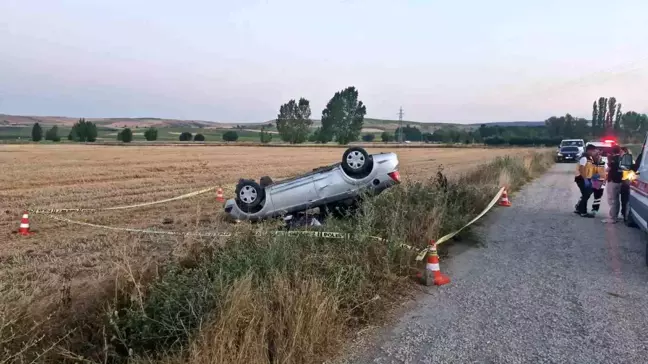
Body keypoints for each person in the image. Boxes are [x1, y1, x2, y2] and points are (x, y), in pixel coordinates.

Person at [574, 144, 597, 218]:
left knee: (586, 194)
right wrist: (585, 179)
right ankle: (583, 212)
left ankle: (578, 208)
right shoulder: (584, 158)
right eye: (593, 151)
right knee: (586, 195)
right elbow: (581, 169)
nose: (594, 152)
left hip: (587, 178)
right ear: (589, 150)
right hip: (581, 178)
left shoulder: (589, 158)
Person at [604, 145, 623, 223]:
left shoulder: (613, 160)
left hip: (613, 181)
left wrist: (609, 160)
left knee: (612, 200)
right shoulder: (623, 158)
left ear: (612, 152)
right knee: (617, 200)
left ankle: (613, 218)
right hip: (620, 181)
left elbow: (608, 169)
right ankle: (616, 216)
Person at [590, 151, 606, 215]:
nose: (598, 157)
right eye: (597, 156)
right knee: (588, 194)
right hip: (594, 181)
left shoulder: (603, 163)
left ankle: (595, 209)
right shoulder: (591, 163)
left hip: (601, 181)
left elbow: (605, 173)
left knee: (598, 196)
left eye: (599, 156)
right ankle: (580, 206)